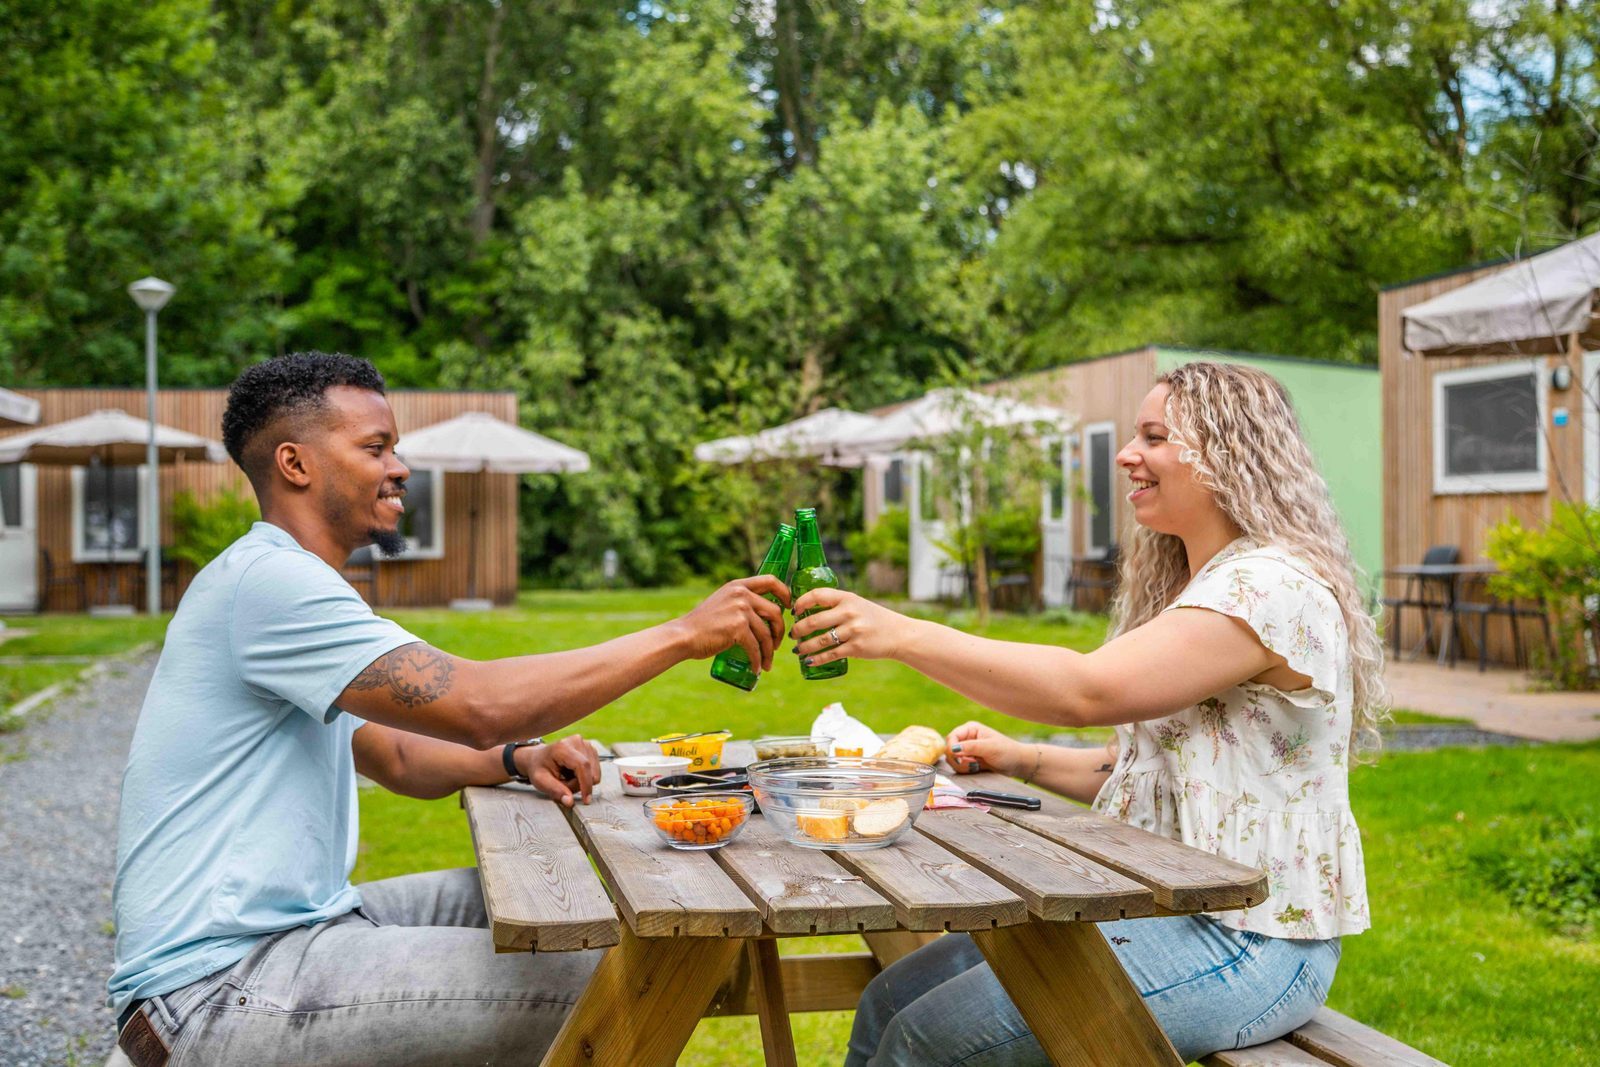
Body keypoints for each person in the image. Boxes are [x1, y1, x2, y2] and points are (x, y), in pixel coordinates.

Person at [108, 352, 788, 1067]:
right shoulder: (270, 584)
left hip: (302, 929)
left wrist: (515, 757)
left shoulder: (288, 582)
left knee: (568, 907)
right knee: (618, 977)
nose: (400, 466)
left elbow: (394, 752)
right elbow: (479, 703)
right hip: (218, 986)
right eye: (376, 447)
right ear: (294, 463)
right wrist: (682, 635)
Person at [791, 361, 1385, 1065]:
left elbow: (1086, 691)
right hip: (1156, 909)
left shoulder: (1268, 588)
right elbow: (1159, 767)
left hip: (1249, 940)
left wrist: (900, 634)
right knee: (889, 1001)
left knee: (928, 1041)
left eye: (1154, 436)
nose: (1128, 453)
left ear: (1228, 454)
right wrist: (1022, 758)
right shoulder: (1213, 584)